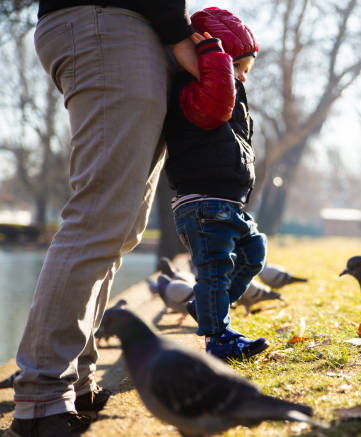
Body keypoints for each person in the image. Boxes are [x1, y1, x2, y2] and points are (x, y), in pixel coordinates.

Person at [7, 2, 200, 436]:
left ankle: (73, 377)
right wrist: (176, 29)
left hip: (128, 25)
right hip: (109, 19)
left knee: (121, 226)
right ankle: (40, 396)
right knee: (99, 217)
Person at [164, 7, 269, 361]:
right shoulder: (193, 91)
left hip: (226, 201)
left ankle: (204, 306)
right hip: (203, 201)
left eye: (245, 70)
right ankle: (217, 338)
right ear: (211, 60)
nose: (242, 77)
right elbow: (215, 108)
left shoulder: (227, 92)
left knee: (254, 252)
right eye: (237, 67)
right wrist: (215, 59)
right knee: (215, 267)